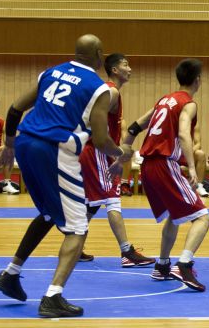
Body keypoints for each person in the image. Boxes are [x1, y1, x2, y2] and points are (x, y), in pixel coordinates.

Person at [0, 34, 125, 317]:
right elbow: (101, 139)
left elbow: (15, 108)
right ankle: (53, 296)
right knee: (78, 228)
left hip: (26, 143)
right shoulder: (99, 89)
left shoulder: (50, 73)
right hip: (54, 150)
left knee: (50, 215)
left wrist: (11, 144)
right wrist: (120, 153)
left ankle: (10, 274)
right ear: (99, 55)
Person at [116, 58, 209, 292]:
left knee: (174, 215)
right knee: (203, 218)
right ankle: (185, 264)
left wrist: (122, 155)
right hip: (164, 164)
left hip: (147, 166)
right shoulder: (189, 103)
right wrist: (191, 167)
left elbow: (134, 128)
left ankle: (162, 266)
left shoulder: (164, 100)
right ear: (197, 80)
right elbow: (183, 134)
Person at [77, 53, 155, 268]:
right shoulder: (110, 92)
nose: (130, 68)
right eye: (125, 64)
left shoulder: (111, 92)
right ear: (114, 70)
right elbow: (90, 121)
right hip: (97, 151)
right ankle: (127, 251)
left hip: (95, 151)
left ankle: (75, 247)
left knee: (91, 205)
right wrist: (115, 151)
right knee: (112, 199)